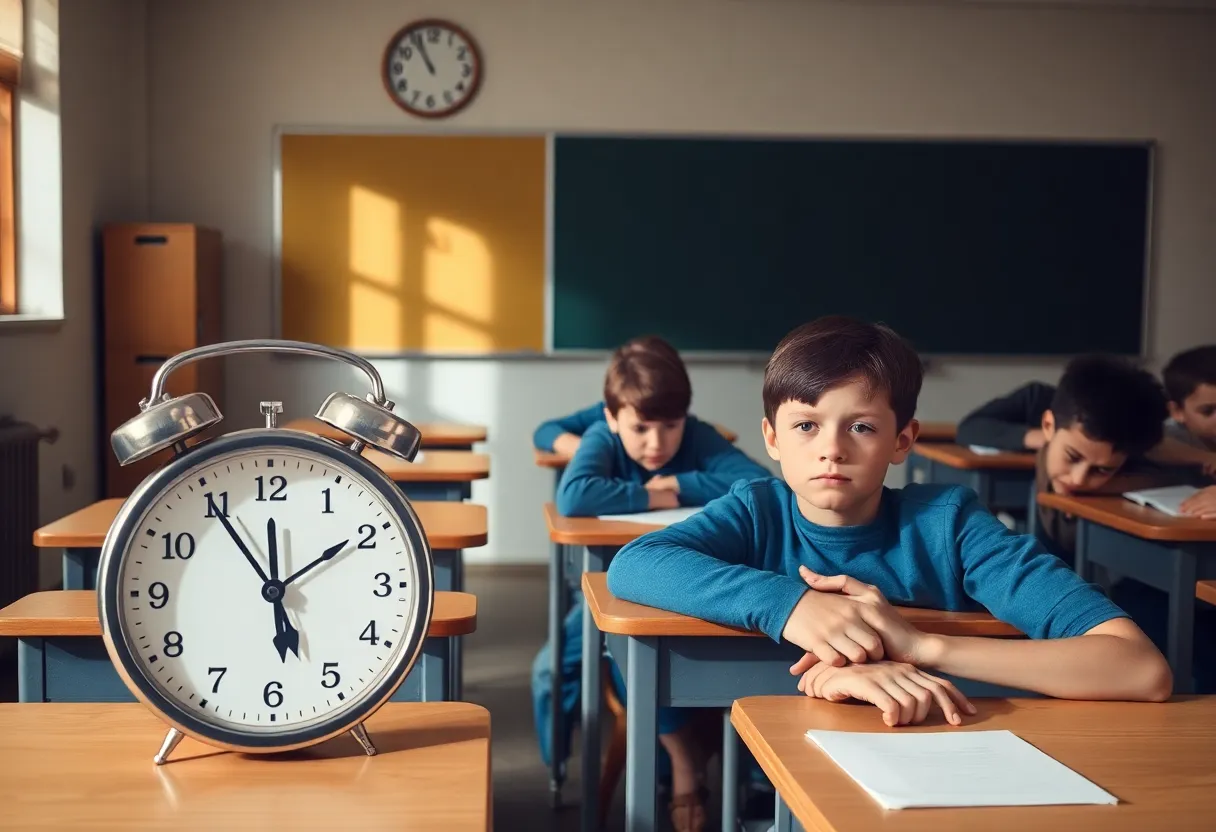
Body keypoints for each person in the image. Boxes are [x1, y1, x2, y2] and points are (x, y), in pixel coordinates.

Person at [608, 316, 1171, 830]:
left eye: (861, 427)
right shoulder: (756, 511)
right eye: (806, 426)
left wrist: (920, 646)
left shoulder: (949, 526)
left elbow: (1140, 669)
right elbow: (635, 563)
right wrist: (794, 607)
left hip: (943, 773)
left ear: (903, 440)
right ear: (772, 438)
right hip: (795, 765)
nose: (831, 449)